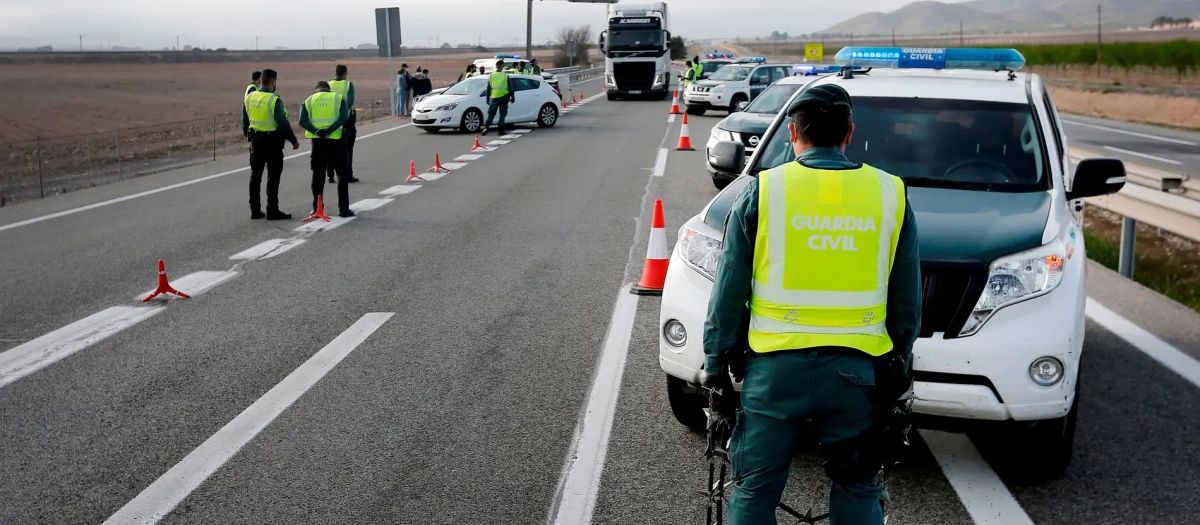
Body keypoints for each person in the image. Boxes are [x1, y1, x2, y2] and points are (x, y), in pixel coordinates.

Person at [702, 84, 921, 525]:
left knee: (755, 489)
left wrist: (715, 362)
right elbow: (906, 300)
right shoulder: (890, 194)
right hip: (857, 373)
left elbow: (728, 289)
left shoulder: (763, 191)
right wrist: (899, 360)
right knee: (858, 486)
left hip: (774, 372)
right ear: (849, 133)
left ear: (792, 133)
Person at [241, 68, 298, 220]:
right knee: (273, 177)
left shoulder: (250, 97)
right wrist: (293, 140)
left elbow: (245, 119)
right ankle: (272, 210)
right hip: (272, 143)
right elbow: (283, 123)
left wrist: (247, 134)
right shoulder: (274, 100)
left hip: (256, 142)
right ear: (273, 82)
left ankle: (255, 210)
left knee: (255, 177)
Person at [299, 81, 353, 218]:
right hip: (336, 141)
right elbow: (343, 117)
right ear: (328, 89)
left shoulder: (309, 100)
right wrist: (330, 130)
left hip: (318, 142)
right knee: (342, 175)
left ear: (317, 90)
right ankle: (344, 210)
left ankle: (317, 208)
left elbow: (302, 120)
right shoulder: (338, 98)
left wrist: (317, 131)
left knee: (318, 176)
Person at [328, 64, 360, 184]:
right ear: (345, 73)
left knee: (331, 148)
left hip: (331, 120)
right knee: (347, 149)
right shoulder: (348, 85)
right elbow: (350, 101)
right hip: (346, 120)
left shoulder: (328, 84)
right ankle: (347, 175)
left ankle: (330, 175)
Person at [482, 59, 514, 136]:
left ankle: (486, 128)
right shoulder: (505, 75)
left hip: (494, 97)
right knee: (502, 114)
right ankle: (501, 130)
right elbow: (510, 88)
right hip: (504, 97)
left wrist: (487, 99)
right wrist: (513, 97)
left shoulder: (491, 75)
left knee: (491, 114)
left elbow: (488, 88)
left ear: (496, 66)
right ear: (502, 66)